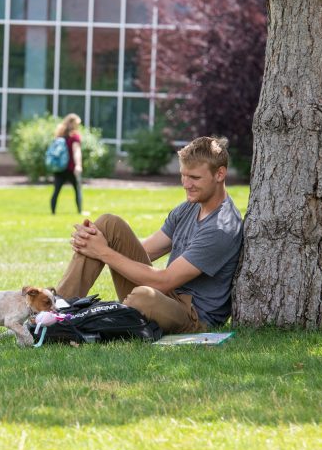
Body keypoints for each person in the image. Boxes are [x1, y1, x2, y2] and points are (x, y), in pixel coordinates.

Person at [55, 136, 243, 333]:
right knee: (107, 224)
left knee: (143, 297)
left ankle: (90, 320)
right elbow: (146, 252)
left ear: (220, 174)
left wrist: (102, 252)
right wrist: (97, 243)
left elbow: (164, 280)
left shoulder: (222, 226)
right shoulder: (188, 208)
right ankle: (54, 312)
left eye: (194, 178)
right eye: (183, 175)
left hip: (192, 316)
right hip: (168, 296)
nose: (186, 184)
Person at [50, 113, 83, 215]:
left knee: (56, 191)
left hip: (59, 168)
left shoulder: (59, 135)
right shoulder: (75, 136)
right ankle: (79, 211)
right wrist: (78, 165)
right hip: (71, 168)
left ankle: (53, 212)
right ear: (73, 124)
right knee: (77, 190)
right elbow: (76, 151)